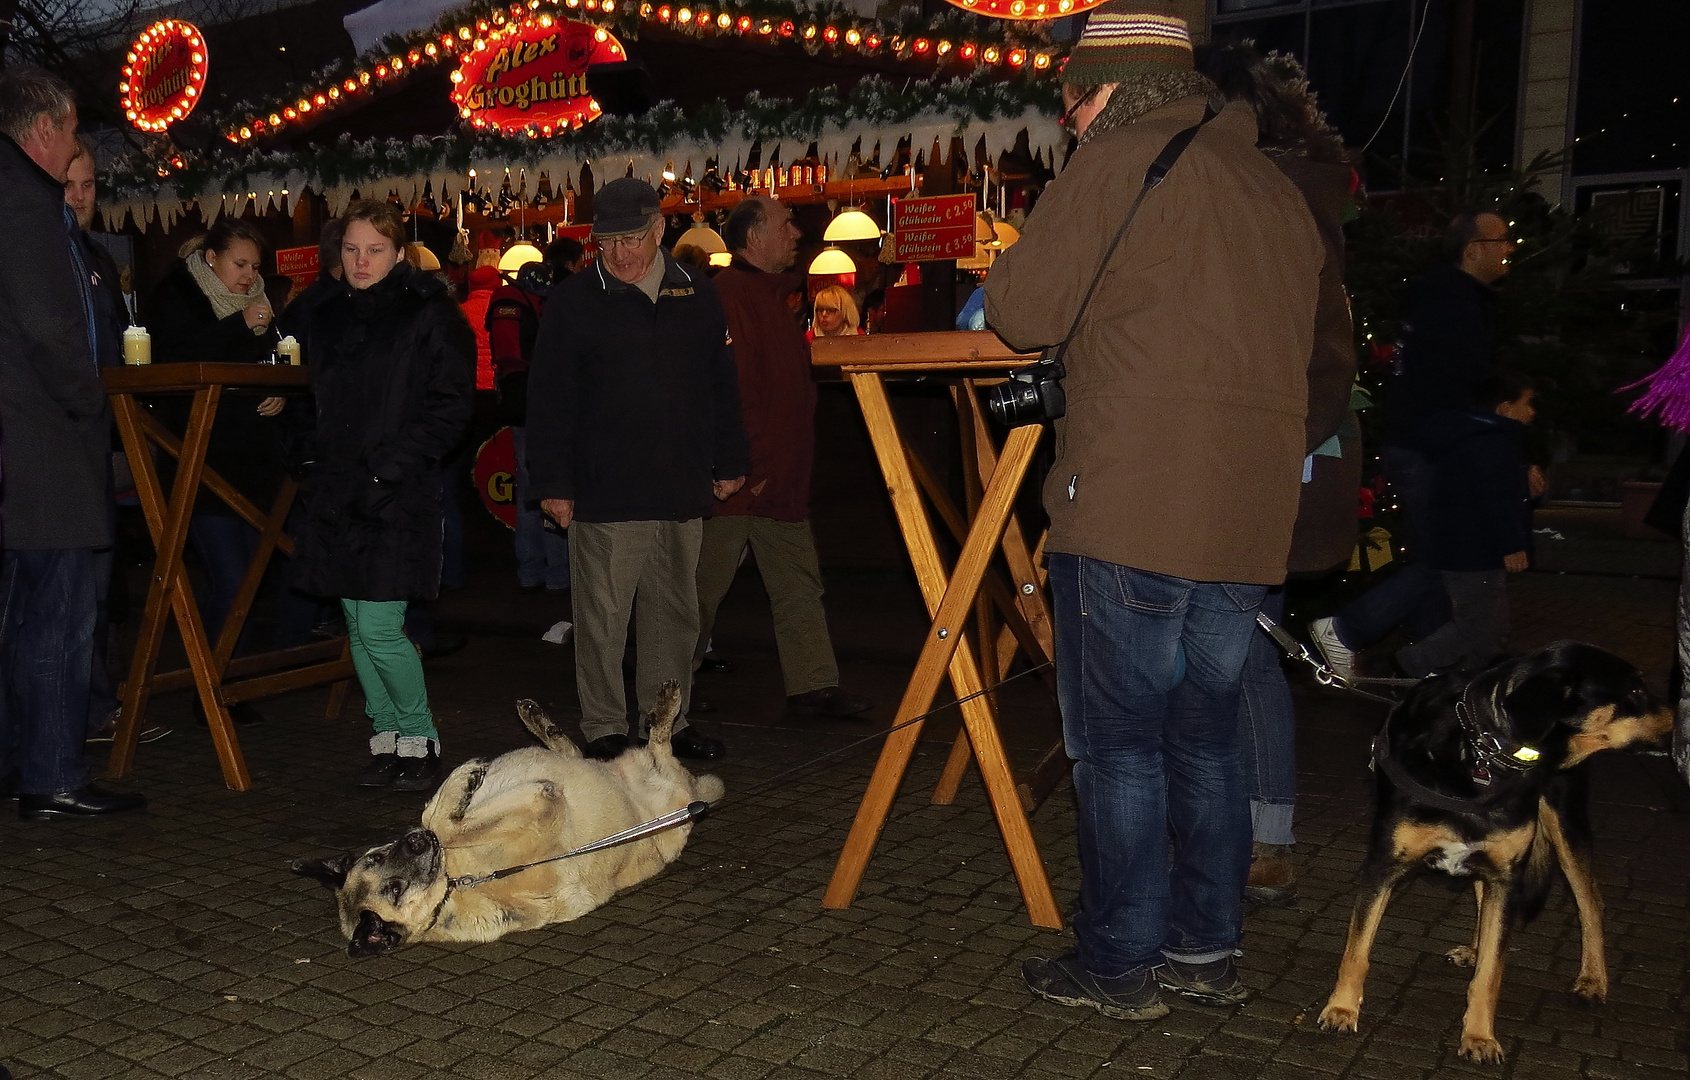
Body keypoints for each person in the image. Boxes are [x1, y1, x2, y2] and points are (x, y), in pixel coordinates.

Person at [984, 1, 1323, 1017]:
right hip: (1246, 511)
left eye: (1070, 104)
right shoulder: (1272, 185)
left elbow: (1018, 312)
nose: (1069, 124)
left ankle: (1119, 960)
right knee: (1202, 736)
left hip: (1135, 493)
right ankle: (1204, 948)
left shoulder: (1122, 154)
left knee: (1119, 743)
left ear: (1105, 91)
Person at [1195, 42, 1358, 908]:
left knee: (1245, 648)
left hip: (1275, 457)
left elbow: (1322, 352)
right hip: (1277, 451)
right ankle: (1246, 826)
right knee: (1239, 643)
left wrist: (1262, 453)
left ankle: (1265, 833)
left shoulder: (1276, 193)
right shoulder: (1286, 187)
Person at [526, 178, 750, 761]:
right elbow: (549, 399)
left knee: (676, 613)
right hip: (606, 486)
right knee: (602, 616)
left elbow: (720, 384)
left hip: (679, 481)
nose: (621, 256)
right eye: (607, 244)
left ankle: (665, 726)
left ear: (659, 230)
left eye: (632, 240)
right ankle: (604, 727)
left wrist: (730, 459)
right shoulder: (574, 301)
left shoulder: (695, 293)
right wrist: (552, 483)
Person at [285, 200, 475, 791]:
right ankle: (389, 738)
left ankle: (421, 740)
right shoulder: (329, 314)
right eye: (351, 249)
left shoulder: (430, 313)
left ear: (398, 253)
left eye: (375, 250)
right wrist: (312, 453)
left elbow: (448, 409)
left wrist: (385, 470)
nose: (361, 261)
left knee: (381, 629)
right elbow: (315, 399)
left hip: (396, 492)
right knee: (356, 625)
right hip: (340, 490)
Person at [0, 66, 146, 819]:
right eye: (72, 128)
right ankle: (53, 775)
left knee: (24, 616)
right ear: (46, 128)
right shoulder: (25, 203)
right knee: (57, 618)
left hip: (19, 450)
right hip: (42, 448)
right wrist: (89, 400)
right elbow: (50, 327)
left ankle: (22, 765)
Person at [1309, 211, 1518, 680]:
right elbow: (1455, 390)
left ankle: (1430, 670)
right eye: (1501, 240)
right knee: (1446, 560)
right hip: (1438, 451)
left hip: (1430, 446)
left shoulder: (1447, 300)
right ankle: (1348, 628)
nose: (1509, 249)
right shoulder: (1454, 306)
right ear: (1472, 249)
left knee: (1441, 560)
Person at [694, 197, 872, 719]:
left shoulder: (765, 298)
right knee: (699, 593)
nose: (795, 233)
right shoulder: (732, 298)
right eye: (784, 224)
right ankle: (665, 698)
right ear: (753, 238)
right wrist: (742, 466)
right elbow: (730, 393)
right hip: (743, 480)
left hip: (775, 479)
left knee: (797, 585)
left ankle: (813, 685)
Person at [147, 217, 286, 723]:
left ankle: (234, 682)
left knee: (249, 578)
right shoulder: (178, 295)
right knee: (228, 576)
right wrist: (238, 326)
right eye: (240, 264)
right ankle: (211, 687)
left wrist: (277, 388)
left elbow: (271, 357)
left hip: (252, 461)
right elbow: (178, 361)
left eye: (255, 266)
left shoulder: (263, 305)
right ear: (212, 259)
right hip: (200, 461)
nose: (250, 275)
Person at [1394, 373, 1538, 677]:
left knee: (1485, 626)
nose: (1532, 411)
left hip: (1463, 547)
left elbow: (1481, 489)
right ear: (1504, 408)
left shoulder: (1472, 438)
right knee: (1483, 627)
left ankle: (1472, 683)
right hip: (1476, 551)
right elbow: (1493, 497)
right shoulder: (1492, 442)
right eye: (1527, 403)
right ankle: (1413, 663)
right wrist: (1511, 544)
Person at [490, 236, 582, 594]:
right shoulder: (556, 298)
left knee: (527, 489)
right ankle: (560, 574)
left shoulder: (507, 301)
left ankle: (529, 571)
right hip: (550, 406)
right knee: (555, 485)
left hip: (516, 403)